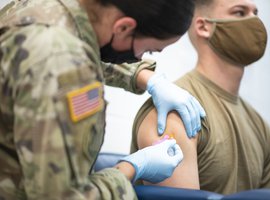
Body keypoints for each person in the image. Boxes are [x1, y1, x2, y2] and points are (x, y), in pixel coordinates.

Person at [0, 0, 207, 199]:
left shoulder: (39, 10)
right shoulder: (63, 66)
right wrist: (131, 168)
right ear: (124, 27)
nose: (141, 57)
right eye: (148, 50)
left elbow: (82, 42)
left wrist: (148, 79)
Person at [131, 0, 270, 195]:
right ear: (203, 27)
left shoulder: (262, 128)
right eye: (240, 12)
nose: (254, 21)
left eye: (256, 12)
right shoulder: (173, 113)